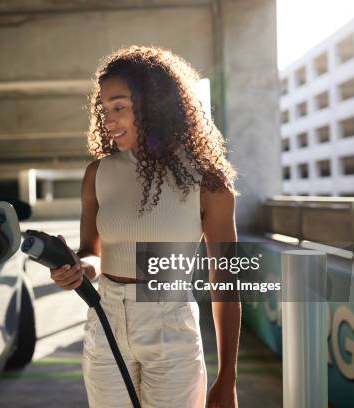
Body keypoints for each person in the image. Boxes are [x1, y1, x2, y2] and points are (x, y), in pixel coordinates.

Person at [50, 46, 240, 408]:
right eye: (104, 109)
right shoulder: (97, 175)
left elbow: (226, 283)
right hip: (105, 322)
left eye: (119, 106)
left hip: (170, 326)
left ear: (154, 105)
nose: (108, 119)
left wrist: (227, 377)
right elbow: (93, 252)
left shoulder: (208, 182)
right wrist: (77, 267)